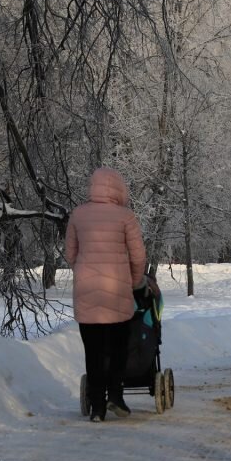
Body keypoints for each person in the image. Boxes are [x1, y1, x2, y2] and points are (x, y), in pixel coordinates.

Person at [65, 167, 147, 421]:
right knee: (119, 348)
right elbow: (138, 256)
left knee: (94, 352)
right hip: (116, 293)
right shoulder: (125, 217)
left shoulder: (78, 215)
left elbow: (70, 254)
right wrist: (132, 282)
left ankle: (97, 407)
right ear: (118, 189)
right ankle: (116, 396)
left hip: (87, 293)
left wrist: (84, 272)